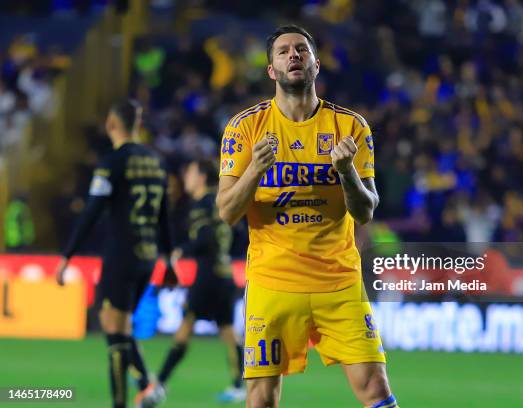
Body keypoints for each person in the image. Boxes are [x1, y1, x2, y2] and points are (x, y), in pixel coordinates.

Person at [216, 25, 398, 407]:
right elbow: (227, 211)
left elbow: (365, 212)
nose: (293, 55)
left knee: (376, 389)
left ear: (316, 64)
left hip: (339, 282)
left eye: (302, 50)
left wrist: (346, 170)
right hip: (273, 283)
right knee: (262, 398)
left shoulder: (350, 127)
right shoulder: (244, 128)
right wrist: (254, 170)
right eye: (283, 52)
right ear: (271, 70)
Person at [55, 99, 173, 408]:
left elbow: (92, 211)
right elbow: (164, 216)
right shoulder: (156, 162)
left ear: (111, 124)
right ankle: (146, 385)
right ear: (138, 124)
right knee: (118, 324)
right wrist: (170, 258)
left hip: (122, 253)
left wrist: (68, 255)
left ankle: (122, 402)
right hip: (148, 255)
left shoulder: (112, 162)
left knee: (114, 329)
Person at [152, 159, 245, 402]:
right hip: (223, 273)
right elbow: (233, 233)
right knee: (227, 332)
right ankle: (239, 385)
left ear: (202, 176)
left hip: (208, 277)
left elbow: (204, 238)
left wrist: (181, 250)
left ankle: (160, 380)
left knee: (186, 327)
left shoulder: (202, 204)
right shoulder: (220, 199)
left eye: (191, 172)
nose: (186, 177)